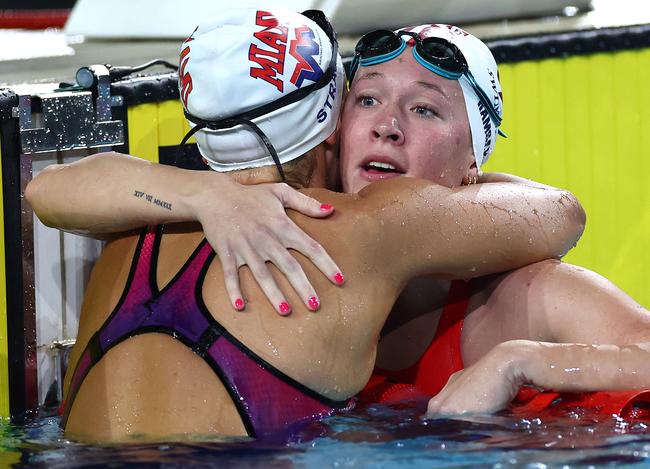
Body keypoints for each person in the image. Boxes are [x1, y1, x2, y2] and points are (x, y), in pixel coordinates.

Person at [26, 9, 583, 442]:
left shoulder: (129, 226)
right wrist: (464, 178)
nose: (384, 126)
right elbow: (561, 213)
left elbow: (44, 191)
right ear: (330, 120)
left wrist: (201, 191)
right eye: (363, 100)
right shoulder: (365, 228)